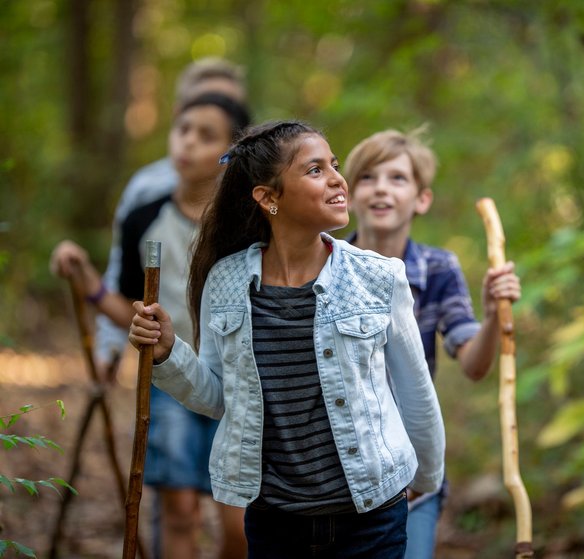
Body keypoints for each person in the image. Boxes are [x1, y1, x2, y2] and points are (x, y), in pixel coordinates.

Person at [126, 120, 446, 559]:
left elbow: (416, 392)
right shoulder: (227, 281)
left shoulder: (378, 277)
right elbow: (220, 397)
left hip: (372, 515)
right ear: (269, 197)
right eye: (315, 170)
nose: (338, 179)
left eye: (334, 165)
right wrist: (168, 353)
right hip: (275, 520)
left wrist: (425, 482)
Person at [51, 93, 252, 559]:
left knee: (239, 525)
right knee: (178, 510)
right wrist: (87, 282)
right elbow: (129, 308)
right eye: (183, 130)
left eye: (207, 136)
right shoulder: (145, 217)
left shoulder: (249, 226)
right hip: (168, 379)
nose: (187, 143)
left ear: (232, 152)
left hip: (242, 383)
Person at [342, 128, 522, 559]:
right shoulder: (327, 265)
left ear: (421, 199)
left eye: (397, 178)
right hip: (341, 471)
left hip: (412, 472)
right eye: (368, 177)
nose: (382, 188)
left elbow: (474, 365)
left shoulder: (439, 268)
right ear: (348, 196)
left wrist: (494, 313)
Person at [95, 57, 248, 364]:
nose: (190, 142)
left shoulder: (251, 211)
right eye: (186, 126)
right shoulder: (145, 193)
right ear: (178, 113)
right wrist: (108, 349)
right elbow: (121, 278)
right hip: (170, 366)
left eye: (225, 105)